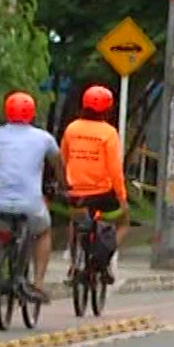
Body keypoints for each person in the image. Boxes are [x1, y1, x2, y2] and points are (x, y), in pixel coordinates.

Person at [0, 91, 63, 301]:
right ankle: (38, 283)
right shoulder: (44, 138)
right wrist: (64, 184)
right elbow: (58, 163)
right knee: (44, 232)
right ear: (32, 113)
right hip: (31, 204)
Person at [60, 84, 128, 285]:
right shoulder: (108, 132)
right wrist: (122, 197)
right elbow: (114, 169)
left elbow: (63, 159)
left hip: (75, 192)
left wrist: (66, 185)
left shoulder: (71, 128)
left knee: (75, 222)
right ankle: (103, 262)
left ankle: (74, 265)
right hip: (102, 193)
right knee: (123, 221)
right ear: (108, 108)